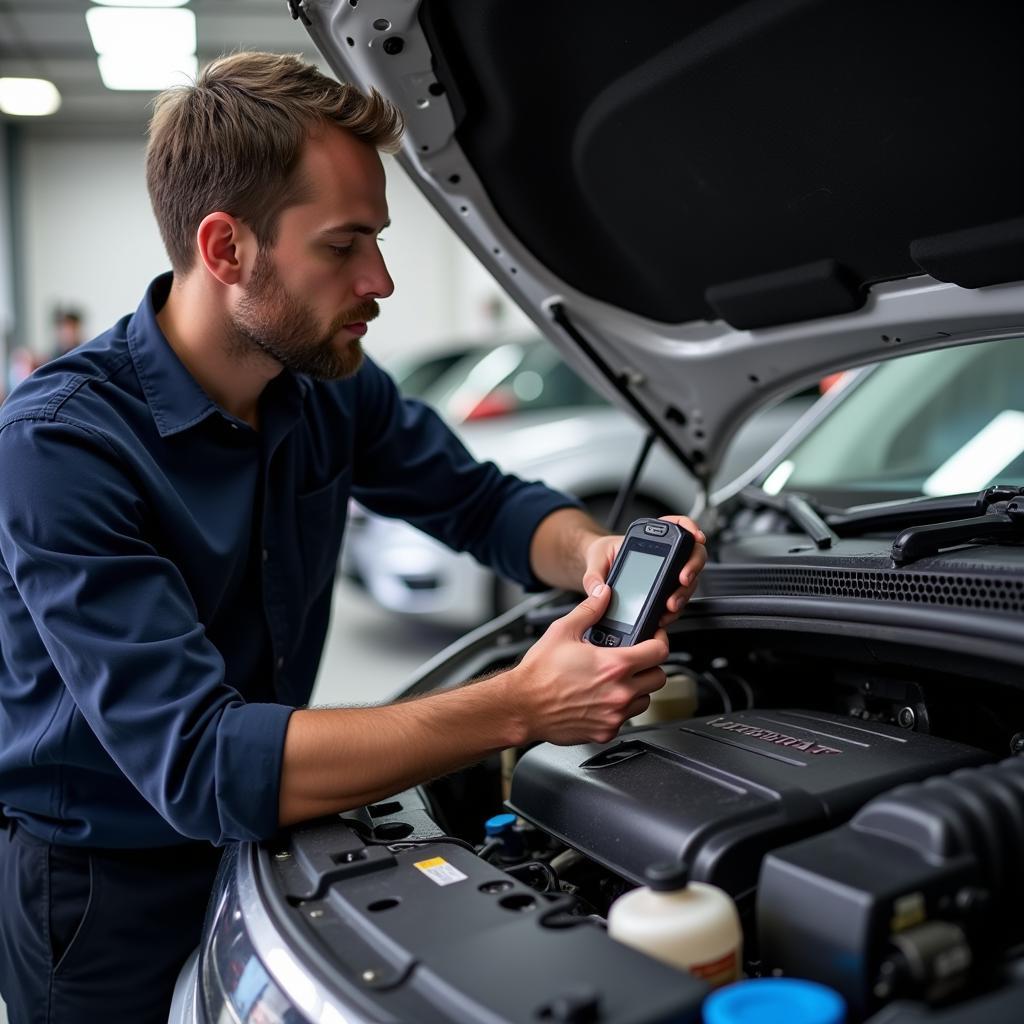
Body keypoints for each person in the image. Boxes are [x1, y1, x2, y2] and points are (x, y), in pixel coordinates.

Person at [0, 52, 706, 1022]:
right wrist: (518, 706)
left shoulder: (330, 387)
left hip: (271, 837)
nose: (380, 278)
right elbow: (202, 760)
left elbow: (484, 504)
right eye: (345, 244)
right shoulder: (58, 448)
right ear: (225, 248)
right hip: (99, 894)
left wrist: (592, 550)